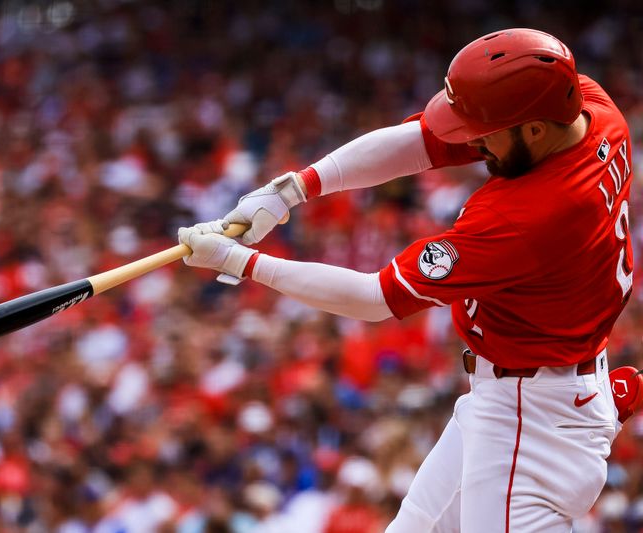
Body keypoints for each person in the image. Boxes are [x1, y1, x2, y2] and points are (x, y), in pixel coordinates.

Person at [177, 28, 643, 532]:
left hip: (532, 428)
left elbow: (374, 298)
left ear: (532, 129)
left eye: (485, 129)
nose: (473, 140)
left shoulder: (528, 218)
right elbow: (425, 140)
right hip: (527, 394)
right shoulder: (594, 114)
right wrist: (293, 189)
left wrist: (244, 264)